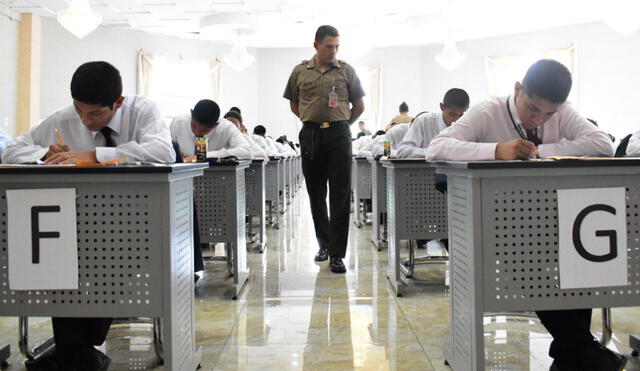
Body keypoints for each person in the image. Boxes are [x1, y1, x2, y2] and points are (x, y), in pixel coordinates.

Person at [426, 59, 622, 371]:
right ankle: (580, 352)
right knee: (526, 262)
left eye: (549, 114)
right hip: (496, 222)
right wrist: (496, 150)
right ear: (518, 89)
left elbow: (603, 144)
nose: (538, 119)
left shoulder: (561, 111)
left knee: (578, 258)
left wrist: (539, 151)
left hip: (552, 218)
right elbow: (436, 148)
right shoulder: (488, 110)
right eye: (532, 108)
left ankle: (574, 356)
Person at [3, 61, 175, 371]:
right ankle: (78, 353)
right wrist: (42, 154)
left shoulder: (143, 110)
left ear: (118, 103)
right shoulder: (64, 117)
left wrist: (96, 156)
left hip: (134, 224)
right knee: (58, 257)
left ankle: (75, 353)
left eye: (95, 114)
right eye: (80, 111)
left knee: (103, 260)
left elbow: (163, 151)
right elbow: (12, 150)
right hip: (77, 226)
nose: (85, 120)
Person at [283, 24, 365, 273]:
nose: (334, 51)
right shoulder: (300, 71)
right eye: (329, 46)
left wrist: (340, 125)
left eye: (337, 46)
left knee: (340, 195)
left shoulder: (347, 71)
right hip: (310, 134)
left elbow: (359, 106)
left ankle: (338, 255)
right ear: (316, 45)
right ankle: (324, 245)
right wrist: (314, 122)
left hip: (339, 134)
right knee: (316, 193)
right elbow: (294, 105)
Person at [396, 88, 469, 158]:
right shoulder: (424, 121)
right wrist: (433, 153)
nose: (456, 120)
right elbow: (402, 151)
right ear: (442, 107)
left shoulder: (466, 126)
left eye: (461, 115)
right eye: (452, 114)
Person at [170, 99, 252, 160]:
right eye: (194, 126)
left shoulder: (226, 127)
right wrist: (175, 155)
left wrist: (203, 157)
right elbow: (164, 149)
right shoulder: (178, 123)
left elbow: (247, 152)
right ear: (191, 113)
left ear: (215, 125)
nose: (197, 132)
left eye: (204, 131)